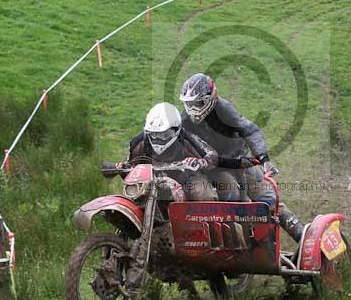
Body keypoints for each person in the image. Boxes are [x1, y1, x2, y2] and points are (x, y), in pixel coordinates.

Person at [179, 73, 305, 242]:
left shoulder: (224, 110)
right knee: (230, 196)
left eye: (198, 104)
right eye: (189, 104)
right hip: (211, 169)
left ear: (211, 99)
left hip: (239, 161)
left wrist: (264, 159)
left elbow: (250, 130)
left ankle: (302, 235)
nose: (193, 109)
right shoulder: (184, 120)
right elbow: (172, 138)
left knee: (267, 198)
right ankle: (233, 239)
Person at [125, 102, 218, 201]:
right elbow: (130, 169)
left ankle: (209, 214)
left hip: (187, 179)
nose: (158, 139)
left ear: (176, 130)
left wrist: (200, 162)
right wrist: (123, 167)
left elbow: (212, 155)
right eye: (154, 134)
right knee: (133, 195)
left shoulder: (185, 139)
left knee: (204, 194)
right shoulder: (139, 142)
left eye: (164, 134)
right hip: (150, 181)